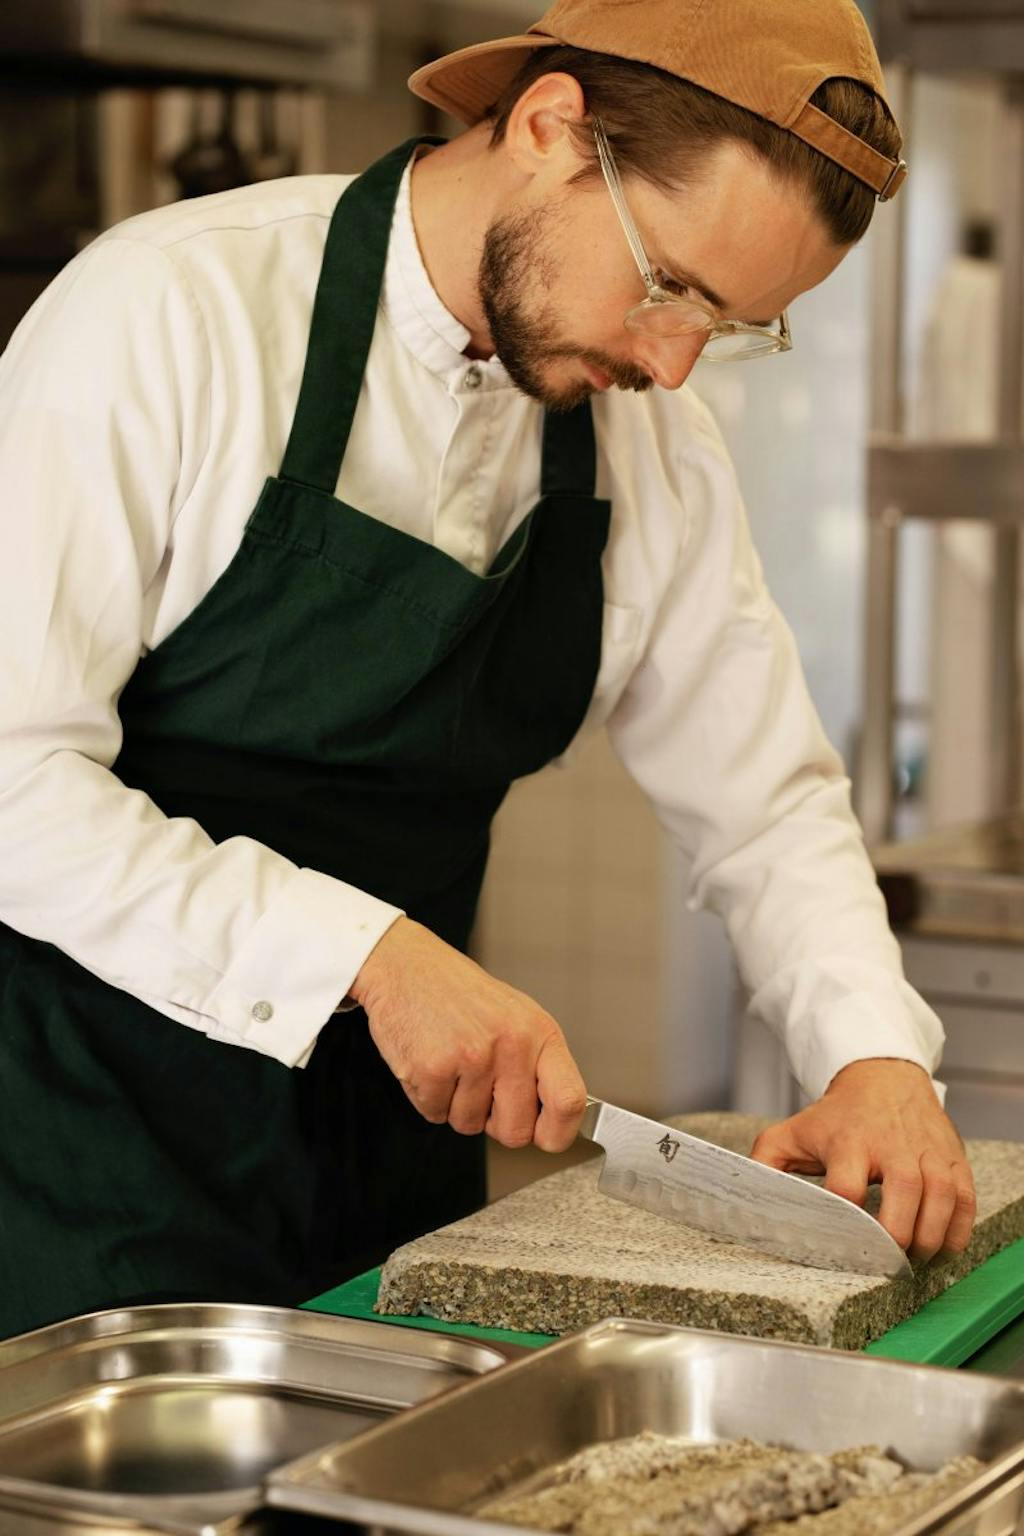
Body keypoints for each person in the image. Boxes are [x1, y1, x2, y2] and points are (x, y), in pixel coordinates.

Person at [0, 0, 976, 1341]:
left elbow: (766, 808)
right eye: (672, 285)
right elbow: (12, 786)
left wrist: (870, 1053)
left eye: (737, 325)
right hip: (74, 1176)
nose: (673, 361)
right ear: (549, 127)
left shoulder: (652, 457)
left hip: (400, 1195)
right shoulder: (170, 317)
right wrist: (372, 956)